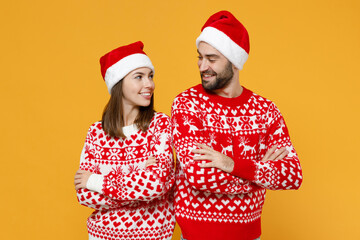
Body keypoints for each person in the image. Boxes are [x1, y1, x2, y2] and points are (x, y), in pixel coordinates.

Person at [171, 11, 303, 240]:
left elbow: (292, 175)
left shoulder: (265, 110)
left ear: (235, 61)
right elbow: (198, 176)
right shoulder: (187, 104)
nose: (203, 66)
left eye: (212, 59)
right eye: (200, 57)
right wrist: (260, 170)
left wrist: (230, 164)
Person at [74, 41, 175, 240]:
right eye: (139, 77)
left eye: (150, 76)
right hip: (102, 235)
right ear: (118, 83)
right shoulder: (96, 132)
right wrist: (139, 179)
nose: (149, 84)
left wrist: (96, 180)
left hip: (153, 236)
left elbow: (156, 183)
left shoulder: (159, 125)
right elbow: (84, 194)